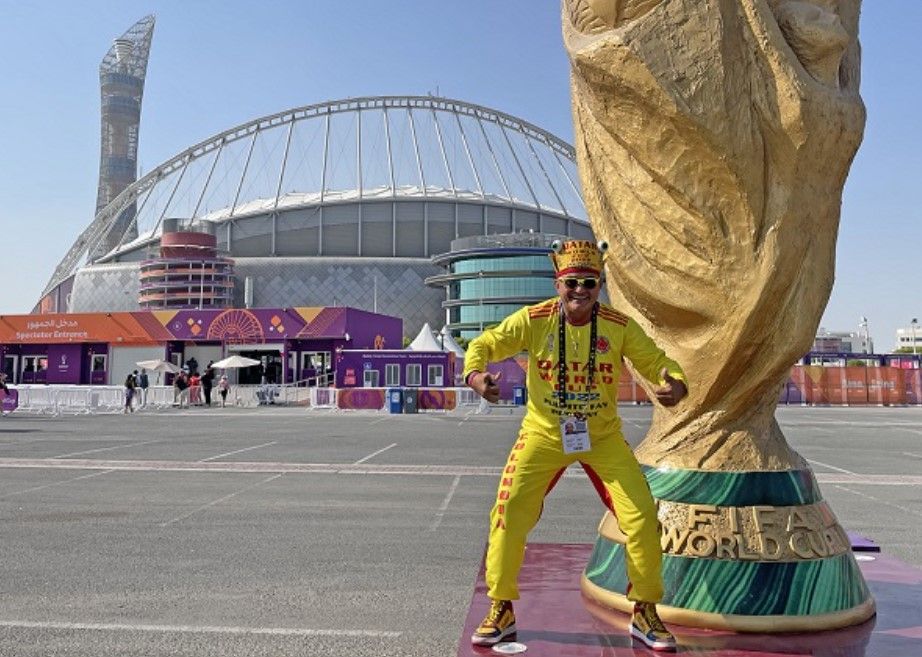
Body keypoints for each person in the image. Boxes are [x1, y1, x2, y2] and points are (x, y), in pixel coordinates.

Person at [463, 240, 688, 652]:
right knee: (508, 510)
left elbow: (656, 360)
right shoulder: (533, 320)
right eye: (571, 283)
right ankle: (501, 606)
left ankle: (645, 610)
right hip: (543, 435)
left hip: (602, 437)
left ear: (599, 285)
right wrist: (476, 376)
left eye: (589, 282)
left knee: (642, 515)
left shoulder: (619, 326)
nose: (580, 290)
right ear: (558, 284)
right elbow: (484, 344)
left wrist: (674, 381)